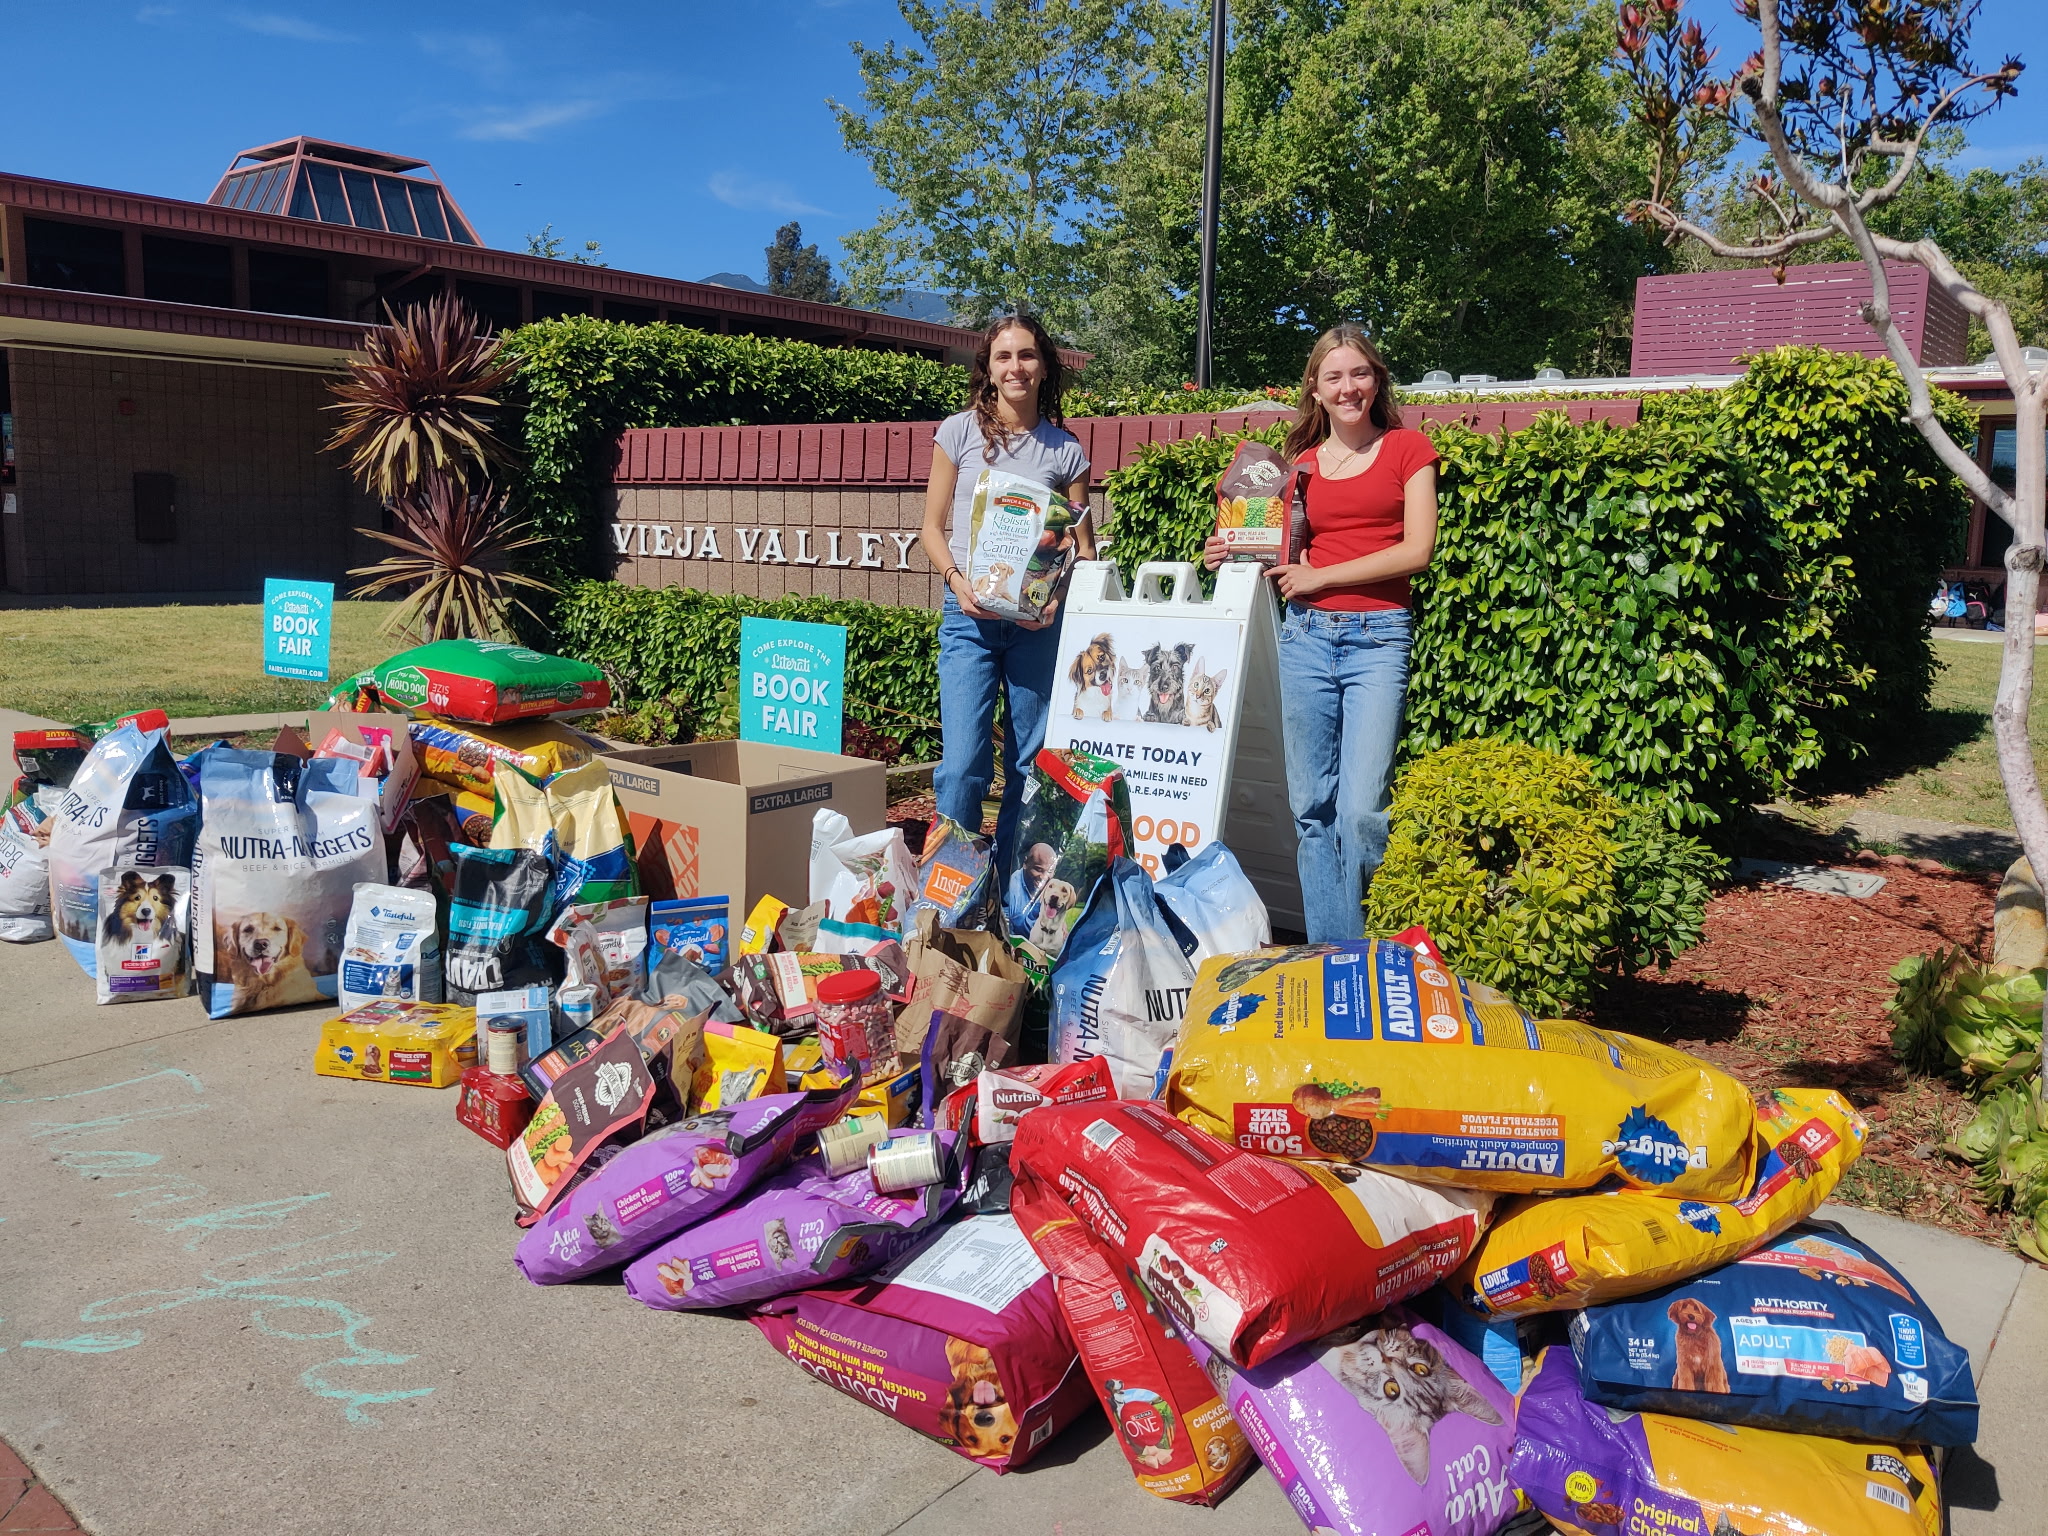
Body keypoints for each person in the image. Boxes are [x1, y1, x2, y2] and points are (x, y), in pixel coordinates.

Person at [1204, 323, 1438, 942]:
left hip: (1379, 639)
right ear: (1315, 387)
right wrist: (1230, 549)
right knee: (1311, 811)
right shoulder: (1299, 466)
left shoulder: (1409, 450)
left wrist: (1320, 576)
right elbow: (1283, 551)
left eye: (1358, 373)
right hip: (1307, 638)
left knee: (1362, 811)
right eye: (1333, 376)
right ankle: (1333, 954)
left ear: (1377, 379)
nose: (1347, 387)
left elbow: (1417, 551)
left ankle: (1367, 942)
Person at [921, 314, 1094, 876]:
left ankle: (1012, 886)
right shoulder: (958, 432)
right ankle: (952, 887)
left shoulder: (1064, 450)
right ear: (988, 369)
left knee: (1028, 761)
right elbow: (930, 527)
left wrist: (1056, 599)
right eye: (1004, 357)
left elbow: (1082, 551)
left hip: (1035, 630)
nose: (1015, 367)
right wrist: (956, 580)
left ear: (1044, 368)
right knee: (963, 763)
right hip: (968, 616)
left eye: (1026, 356)